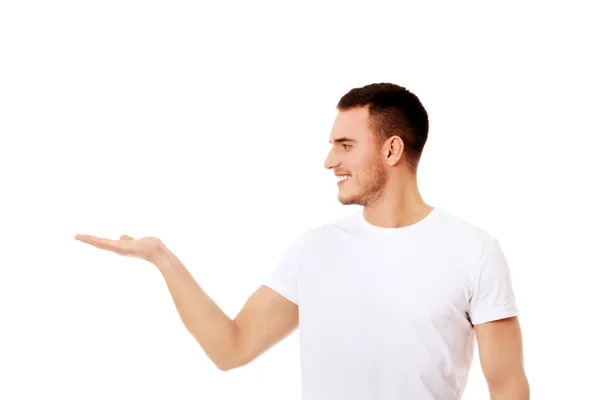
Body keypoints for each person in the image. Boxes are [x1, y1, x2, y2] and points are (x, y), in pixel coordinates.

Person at [75, 83, 530, 399]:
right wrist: (163, 259)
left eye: (346, 145)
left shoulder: (473, 251)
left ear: (392, 150)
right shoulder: (315, 249)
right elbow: (231, 348)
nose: (330, 160)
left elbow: (508, 389)